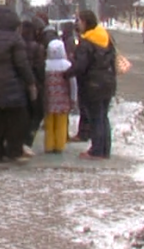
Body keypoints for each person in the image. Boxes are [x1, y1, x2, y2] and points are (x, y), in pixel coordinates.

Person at [0, 9, 37, 163]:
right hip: (12, 87)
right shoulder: (15, 40)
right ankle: (14, 151)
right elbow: (22, 64)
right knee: (17, 120)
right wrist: (31, 82)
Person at [64, 10, 117, 160]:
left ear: (86, 22)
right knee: (103, 117)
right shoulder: (106, 37)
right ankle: (104, 150)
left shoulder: (87, 42)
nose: (77, 24)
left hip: (93, 85)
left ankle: (96, 151)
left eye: (79, 21)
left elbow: (80, 66)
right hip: (108, 83)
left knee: (96, 118)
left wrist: (66, 74)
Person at [43, 39, 77, 154]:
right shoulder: (67, 65)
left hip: (49, 100)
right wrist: (73, 98)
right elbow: (73, 84)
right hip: (63, 100)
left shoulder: (45, 65)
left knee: (49, 124)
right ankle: (59, 145)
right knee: (61, 123)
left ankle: (49, 145)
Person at [20, 21, 46, 156]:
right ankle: (27, 141)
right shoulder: (38, 48)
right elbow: (40, 69)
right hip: (34, 84)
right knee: (36, 113)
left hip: (18, 84)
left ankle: (17, 141)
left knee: (23, 113)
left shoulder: (17, 46)